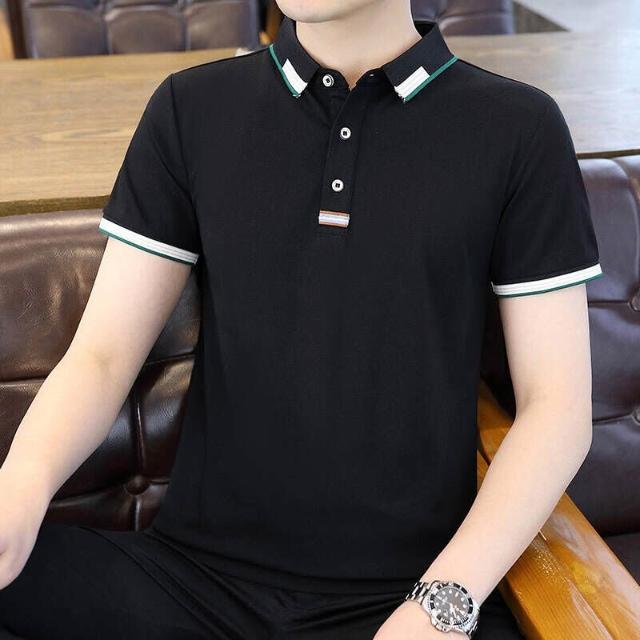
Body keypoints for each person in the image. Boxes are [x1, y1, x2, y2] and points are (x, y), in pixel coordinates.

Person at [0, 1, 603, 638]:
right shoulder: (191, 107)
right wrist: (22, 483)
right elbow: (102, 358)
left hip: (402, 596)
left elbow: (556, 409)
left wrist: (441, 604)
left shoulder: (519, 128)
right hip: (190, 584)